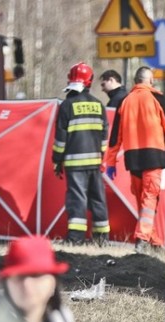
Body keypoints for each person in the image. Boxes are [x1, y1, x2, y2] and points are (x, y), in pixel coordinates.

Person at [106, 66, 165, 252]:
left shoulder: (125, 101)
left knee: (143, 198)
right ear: (150, 81)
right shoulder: (157, 98)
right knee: (150, 198)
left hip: (133, 158)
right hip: (155, 156)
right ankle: (142, 238)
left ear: (136, 81)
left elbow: (115, 137)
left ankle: (153, 239)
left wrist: (110, 162)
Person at [53, 62, 110, 245]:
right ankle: (101, 239)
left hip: (74, 164)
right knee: (98, 200)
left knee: (77, 200)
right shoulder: (98, 105)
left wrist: (56, 160)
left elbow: (60, 140)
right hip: (94, 162)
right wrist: (102, 158)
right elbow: (103, 136)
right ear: (90, 81)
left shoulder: (67, 106)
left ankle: (76, 239)